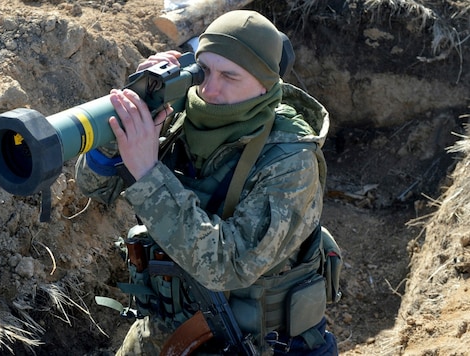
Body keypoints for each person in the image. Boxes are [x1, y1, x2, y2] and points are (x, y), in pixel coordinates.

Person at [75, 10, 339, 355]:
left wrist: (149, 174)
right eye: (205, 70)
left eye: (230, 76)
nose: (210, 89)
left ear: (265, 83)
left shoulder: (291, 159)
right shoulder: (178, 115)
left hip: (256, 343)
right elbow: (95, 188)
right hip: (166, 331)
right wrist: (131, 111)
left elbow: (228, 265)